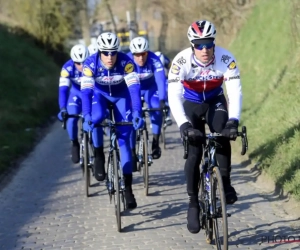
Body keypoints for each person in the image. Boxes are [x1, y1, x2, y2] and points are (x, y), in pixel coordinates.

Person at [168, 20, 242, 234]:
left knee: (222, 133)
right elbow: (173, 96)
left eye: (209, 44)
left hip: (215, 100)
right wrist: (183, 125)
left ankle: (225, 182)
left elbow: (235, 92)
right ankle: (193, 202)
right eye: (199, 45)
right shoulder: (180, 61)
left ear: (214, 43)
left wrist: (233, 120)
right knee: (194, 151)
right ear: (192, 45)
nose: (205, 49)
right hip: (191, 103)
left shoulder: (225, 58)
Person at [81, 32, 144, 209]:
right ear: (99, 51)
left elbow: (134, 89)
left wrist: (137, 112)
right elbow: (86, 92)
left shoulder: (126, 62)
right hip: (100, 96)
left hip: (121, 97)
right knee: (97, 117)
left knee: (124, 142)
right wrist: (86, 115)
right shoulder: (90, 63)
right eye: (106, 52)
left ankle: (128, 189)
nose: (110, 57)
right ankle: (99, 154)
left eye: (113, 52)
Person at [127, 37, 167, 164]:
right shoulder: (126, 61)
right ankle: (132, 150)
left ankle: (155, 143)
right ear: (132, 54)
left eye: (143, 54)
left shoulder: (154, 59)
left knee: (156, 108)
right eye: (137, 55)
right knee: (132, 116)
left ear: (147, 52)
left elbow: (161, 80)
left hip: (150, 88)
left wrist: (162, 99)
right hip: (133, 90)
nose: (140, 58)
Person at [57, 44, 91, 164]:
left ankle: (98, 149)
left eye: (84, 62)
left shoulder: (94, 64)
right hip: (76, 95)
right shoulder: (67, 68)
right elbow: (63, 90)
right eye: (78, 63)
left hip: (91, 94)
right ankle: (74, 142)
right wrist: (62, 108)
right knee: (71, 120)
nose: (81, 66)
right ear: (73, 61)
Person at [154, 51, 173, 127]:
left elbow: (171, 68)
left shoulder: (165, 59)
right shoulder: (152, 60)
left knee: (167, 92)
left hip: (165, 78)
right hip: (154, 79)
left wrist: (169, 77)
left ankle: (167, 115)